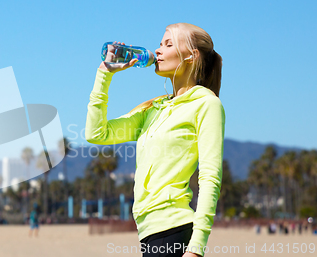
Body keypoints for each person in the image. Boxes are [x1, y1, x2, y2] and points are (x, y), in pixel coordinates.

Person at [85, 23, 224, 257]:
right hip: (149, 233)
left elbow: (210, 177)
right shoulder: (153, 109)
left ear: (192, 56)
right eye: (160, 44)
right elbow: (96, 133)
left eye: (168, 44)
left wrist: (196, 248)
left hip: (174, 230)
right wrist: (104, 74)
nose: (158, 51)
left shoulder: (206, 104)